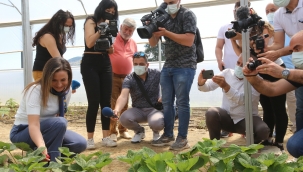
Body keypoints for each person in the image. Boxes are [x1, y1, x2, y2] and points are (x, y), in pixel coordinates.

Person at [9, 58, 86, 162]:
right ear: (46, 78)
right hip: (23, 132)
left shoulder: (66, 91)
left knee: (79, 144)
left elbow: (59, 118)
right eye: (54, 80)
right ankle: (53, 163)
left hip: (48, 130)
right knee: (60, 123)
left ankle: (39, 157)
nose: (59, 85)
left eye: (63, 80)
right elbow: (34, 125)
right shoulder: (35, 90)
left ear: (69, 78)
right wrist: (42, 147)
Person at [230, 14, 288, 151]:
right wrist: (235, 38)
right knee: (267, 107)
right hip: (261, 73)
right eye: (259, 36)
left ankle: (279, 141)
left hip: (276, 72)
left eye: (266, 36)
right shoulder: (251, 48)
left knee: (278, 109)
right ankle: (267, 138)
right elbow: (240, 50)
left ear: (272, 36)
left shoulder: (274, 47)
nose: (261, 39)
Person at [243, 30, 303, 157]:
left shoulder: (294, 73)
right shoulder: (299, 71)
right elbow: (273, 89)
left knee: (294, 143)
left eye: (298, 49)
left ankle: (279, 141)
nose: (295, 54)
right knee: (294, 145)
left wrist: (284, 72)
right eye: (293, 51)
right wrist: (253, 77)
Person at [148, 0, 197, 151]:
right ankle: (168, 134)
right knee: (167, 102)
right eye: (167, 2)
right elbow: (153, 44)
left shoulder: (188, 14)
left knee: (182, 102)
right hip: (169, 65)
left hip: (185, 65)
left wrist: (166, 33)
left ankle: (182, 138)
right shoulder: (163, 17)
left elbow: (189, 40)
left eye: (172, 1)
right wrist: (151, 29)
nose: (170, 4)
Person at [198, 56, 269, 143]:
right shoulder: (227, 73)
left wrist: (226, 87)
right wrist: (201, 84)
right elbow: (208, 87)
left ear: (253, 66)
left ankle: (253, 145)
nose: (239, 67)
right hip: (227, 117)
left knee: (263, 130)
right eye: (238, 63)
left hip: (246, 119)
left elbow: (243, 100)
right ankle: (215, 145)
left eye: (243, 65)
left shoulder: (257, 81)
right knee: (211, 113)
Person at [258, 0, 303, 133]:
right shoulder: (279, 15)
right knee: (300, 106)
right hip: (299, 64)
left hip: (292, 65)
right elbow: (278, 43)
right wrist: (264, 49)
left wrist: (277, 55)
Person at [81, 0, 118, 149]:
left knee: (106, 103)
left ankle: (106, 137)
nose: (110, 12)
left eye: (113, 11)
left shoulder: (112, 25)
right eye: (108, 9)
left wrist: (110, 47)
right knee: (93, 102)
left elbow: (111, 49)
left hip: (105, 62)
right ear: (102, 8)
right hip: (90, 61)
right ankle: (90, 139)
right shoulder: (91, 20)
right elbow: (89, 42)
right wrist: (101, 30)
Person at [215, 1, 250, 138]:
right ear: (233, 11)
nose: (238, 12)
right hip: (229, 69)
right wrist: (219, 60)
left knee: (246, 97)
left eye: (242, 9)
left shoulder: (250, 27)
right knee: (228, 97)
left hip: (246, 68)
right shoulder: (224, 27)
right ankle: (227, 127)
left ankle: (245, 128)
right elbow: (218, 46)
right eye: (237, 9)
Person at [112, 52, 164, 144]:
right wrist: (117, 109)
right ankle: (139, 131)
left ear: (147, 64)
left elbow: (169, 84)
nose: (138, 66)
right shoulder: (129, 78)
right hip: (138, 109)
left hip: (154, 109)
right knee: (123, 118)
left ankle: (156, 132)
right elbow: (123, 96)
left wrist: (164, 96)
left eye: (141, 64)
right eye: (135, 64)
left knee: (157, 123)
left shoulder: (156, 73)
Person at [265, 2, 297, 132]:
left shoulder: (289, 28)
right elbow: (276, 46)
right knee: (276, 105)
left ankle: (296, 127)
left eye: (272, 9)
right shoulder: (266, 30)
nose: (270, 13)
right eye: (267, 11)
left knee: (293, 101)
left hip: (292, 69)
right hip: (275, 72)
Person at [109, 18, 137, 142]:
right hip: (112, 76)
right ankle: (112, 132)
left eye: (131, 30)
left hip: (127, 77)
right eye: (126, 29)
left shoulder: (133, 43)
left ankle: (123, 129)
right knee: (113, 104)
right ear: (121, 27)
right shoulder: (112, 38)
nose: (128, 32)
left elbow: (135, 60)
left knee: (125, 105)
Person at [32, 9, 75, 81]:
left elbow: (61, 57)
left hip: (52, 72)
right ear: (57, 23)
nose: (67, 28)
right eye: (65, 25)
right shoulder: (47, 36)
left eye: (69, 26)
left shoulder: (59, 36)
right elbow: (58, 58)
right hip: (42, 72)